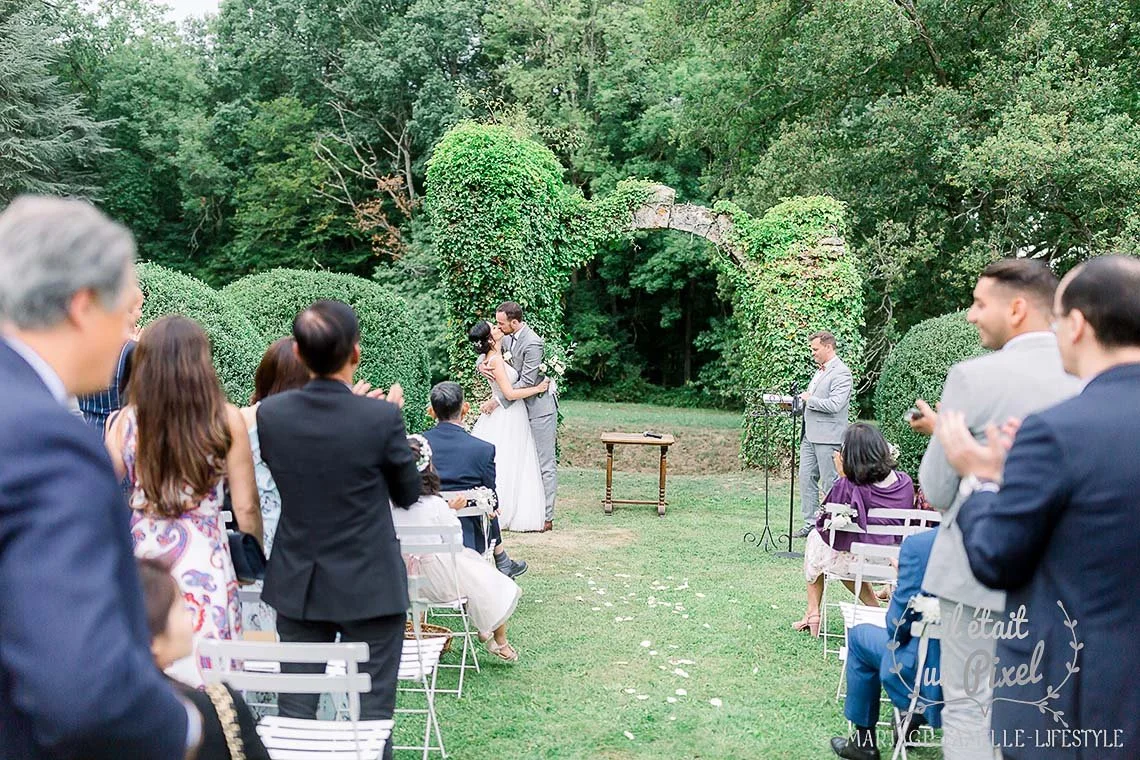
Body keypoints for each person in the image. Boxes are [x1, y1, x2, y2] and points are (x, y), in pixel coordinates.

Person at [0, 196, 199, 759]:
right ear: (84, 305)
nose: (126, 336)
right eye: (124, 312)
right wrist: (185, 728)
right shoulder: (48, 444)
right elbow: (81, 685)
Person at [937, 255, 1140, 759]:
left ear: (1075, 325)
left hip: (1077, 702)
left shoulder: (1056, 430)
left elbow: (997, 558)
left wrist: (982, 480)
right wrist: (1023, 481)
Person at [910, 258, 1080, 759]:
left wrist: (953, 446)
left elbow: (938, 488)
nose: (970, 315)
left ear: (1019, 308)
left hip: (977, 573)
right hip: (1060, 577)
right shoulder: (1087, 376)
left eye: (980, 303)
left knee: (971, 705)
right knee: (1052, 707)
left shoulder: (972, 377)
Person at [257, 300, 419, 756]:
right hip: (370, 581)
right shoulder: (381, 418)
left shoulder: (272, 416)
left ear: (301, 355)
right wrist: (389, 430)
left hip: (299, 579)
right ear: (356, 353)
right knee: (374, 715)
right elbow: (407, 494)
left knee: (297, 711)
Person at [105, 315, 263, 687]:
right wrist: (251, 552)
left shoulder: (125, 422)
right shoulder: (225, 420)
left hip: (145, 558)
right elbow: (245, 507)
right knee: (214, 676)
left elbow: (100, 492)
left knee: (150, 659)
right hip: (206, 558)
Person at [394, 435, 523, 662]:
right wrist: (451, 512)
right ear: (429, 468)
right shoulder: (434, 505)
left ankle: (425, 633)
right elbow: (454, 542)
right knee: (485, 577)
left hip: (394, 584)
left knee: (470, 572)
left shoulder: (387, 503)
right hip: (438, 585)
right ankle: (497, 638)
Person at [138, 558, 270, 760]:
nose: (191, 615)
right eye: (182, 608)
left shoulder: (86, 716)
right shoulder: (219, 709)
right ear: (152, 641)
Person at [794, 423, 916, 637]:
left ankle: (813, 613)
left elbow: (825, 521)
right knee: (842, 552)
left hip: (860, 560)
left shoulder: (850, 485)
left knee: (817, 540)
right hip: (892, 561)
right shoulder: (904, 482)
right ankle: (875, 609)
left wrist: (842, 477)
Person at [830, 528, 942, 760]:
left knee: (860, 636)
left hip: (928, 675)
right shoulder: (1024, 540)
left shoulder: (923, 546)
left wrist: (903, 583)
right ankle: (908, 715)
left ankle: (864, 743)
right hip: (995, 674)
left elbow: (896, 627)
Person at [239, 337, 311, 638]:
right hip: (307, 538)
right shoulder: (318, 421)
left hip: (258, 533)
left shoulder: (243, 420)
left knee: (259, 638)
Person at [423, 381, 529, 578]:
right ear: (465, 408)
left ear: (432, 411)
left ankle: (503, 561)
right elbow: (491, 497)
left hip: (425, 532)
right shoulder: (483, 449)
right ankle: (502, 559)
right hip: (470, 538)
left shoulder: (417, 445)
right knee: (489, 504)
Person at [481, 301, 559, 531]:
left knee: (544, 462)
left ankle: (546, 517)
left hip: (539, 409)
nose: (498, 326)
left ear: (514, 322)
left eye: (501, 323)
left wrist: (497, 400)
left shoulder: (532, 342)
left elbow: (525, 381)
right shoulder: (506, 336)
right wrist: (481, 366)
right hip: (519, 410)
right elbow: (488, 350)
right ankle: (526, 509)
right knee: (525, 462)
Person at [795, 330, 853, 538]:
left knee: (830, 481)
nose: (813, 353)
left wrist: (809, 399)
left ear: (828, 347)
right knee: (805, 477)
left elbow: (835, 404)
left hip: (828, 437)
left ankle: (831, 523)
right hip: (809, 435)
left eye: (815, 349)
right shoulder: (820, 371)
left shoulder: (842, 372)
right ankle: (810, 523)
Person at [77, 282, 143, 431]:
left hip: (88, 426)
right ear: (127, 312)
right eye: (138, 309)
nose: (141, 314)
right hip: (117, 430)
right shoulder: (130, 350)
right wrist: (141, 351)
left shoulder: (84, 344)